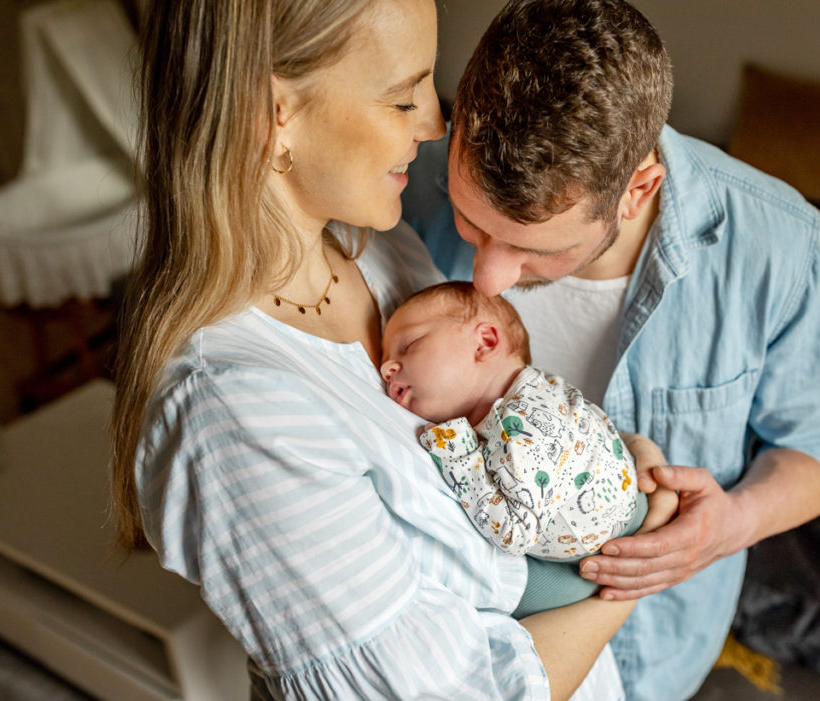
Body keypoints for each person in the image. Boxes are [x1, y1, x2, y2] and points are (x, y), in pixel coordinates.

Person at [109, 1, 674, 699]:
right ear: (276, 111)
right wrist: (627, 579)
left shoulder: (375, 248)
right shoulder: (234, 412)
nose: (435, 125)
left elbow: (485, 445)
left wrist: (620, 475)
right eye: (404, 97)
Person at [401, 0, 820, 699]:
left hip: (649, 661)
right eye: (471, 222)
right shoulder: (407, 182)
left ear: (639, 189)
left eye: (537, 251)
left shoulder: (779, 246)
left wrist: (730, 524)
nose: (489, 279)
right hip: (447, 645)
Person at [379, 281, 678, 617]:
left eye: (409, 346)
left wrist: (459, 453)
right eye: (387, 357)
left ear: (485, 342)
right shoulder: (533, 391)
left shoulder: (521, 425)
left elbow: (513, 532)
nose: (386, 368)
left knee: (490, 596)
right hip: (611, 522)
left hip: (593, 558)